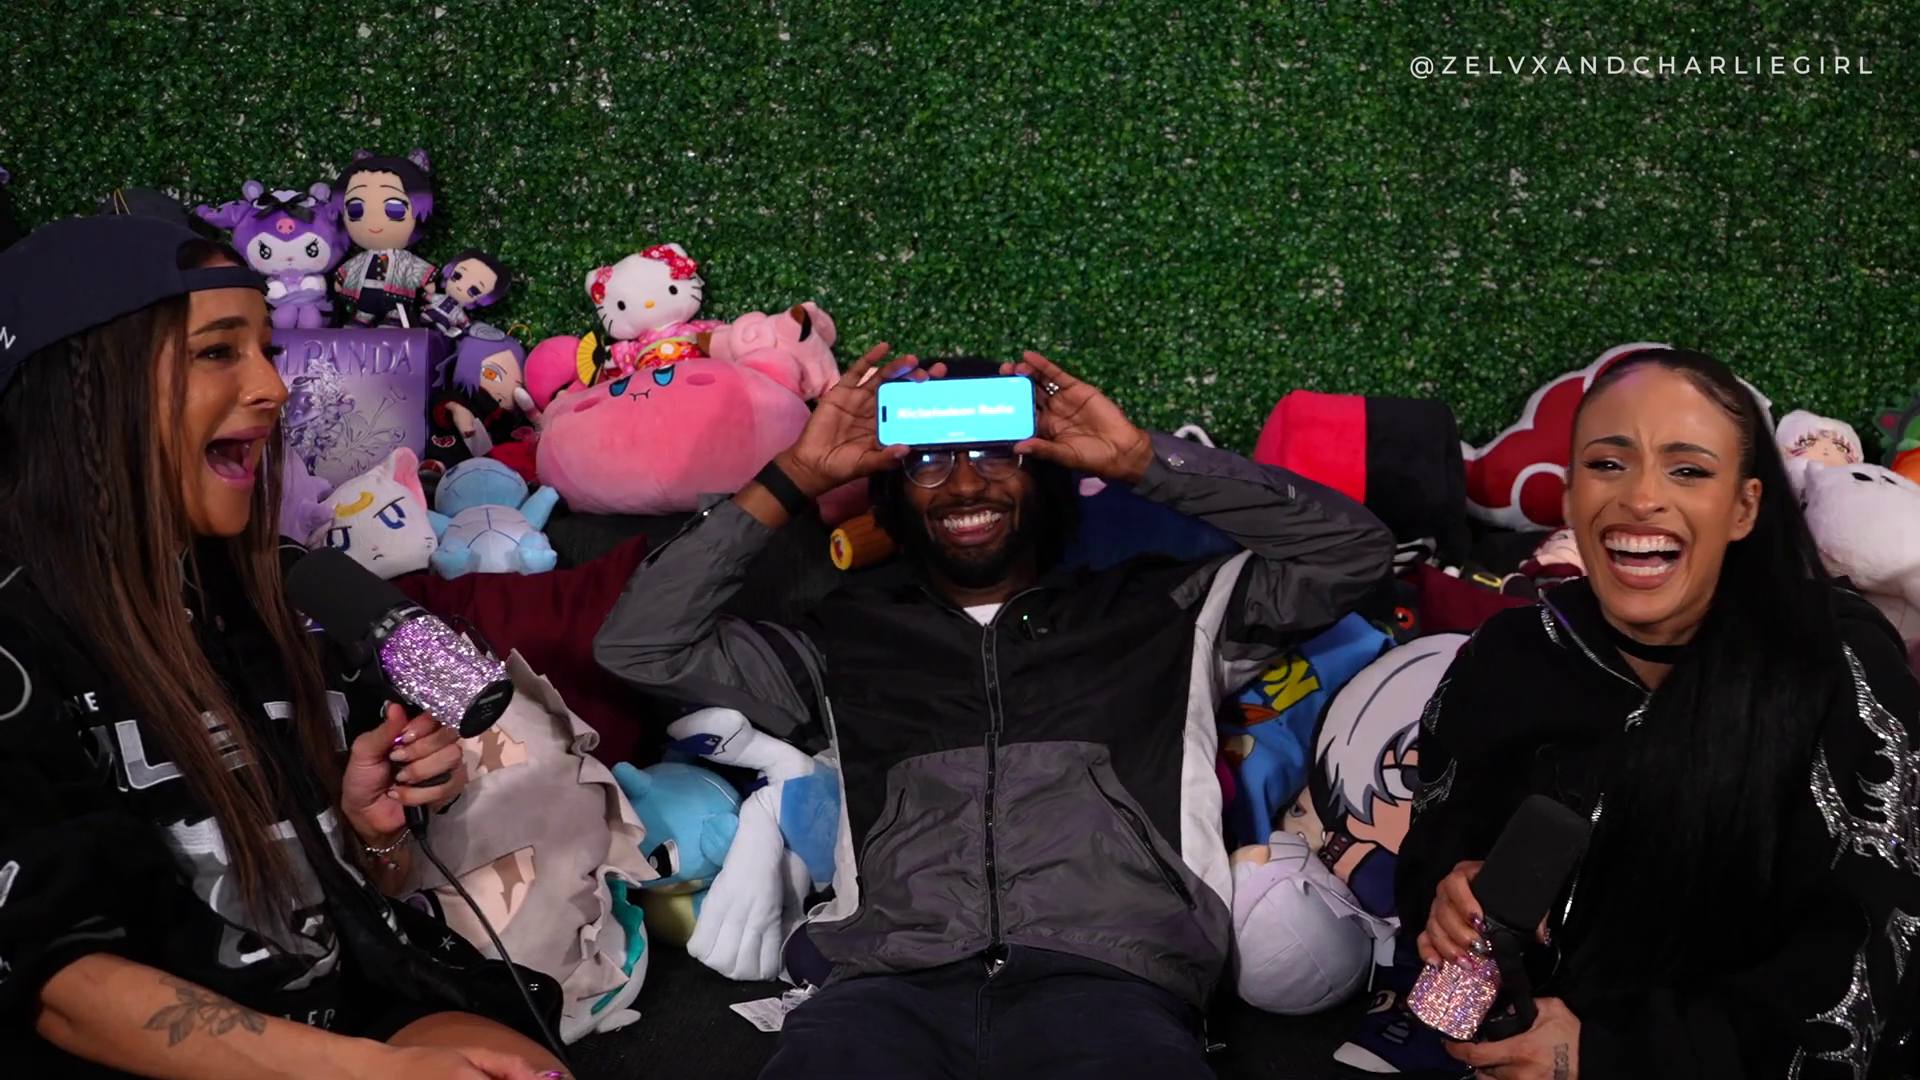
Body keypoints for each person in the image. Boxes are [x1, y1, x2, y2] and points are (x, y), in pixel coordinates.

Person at [595, 349, 1396, 1078]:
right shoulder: (845, 639)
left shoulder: (1167, 610)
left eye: (994, 452)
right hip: (881, 992)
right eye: (928, 461)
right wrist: (795, 475)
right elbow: (640, 645)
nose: (965, 485)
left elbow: (1352, 553)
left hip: (1113, 986)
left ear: (1044, 470)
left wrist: (1143, 462)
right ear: (892, 495)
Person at [0, 215, 567, 1080]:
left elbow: (368, 902)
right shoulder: (19, 640)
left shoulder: (292, 587)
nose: (274, 386)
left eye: (266, 349)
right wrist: (368, 1074)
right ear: (80, 390)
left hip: (367, 1009)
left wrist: (372, 834)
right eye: (217, 352)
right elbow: (61, 984)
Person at [1397, 348, 1920, 1080]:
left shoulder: (1837, 668)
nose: (1640, 498)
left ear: (1745, 507)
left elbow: (1871, 963)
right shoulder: (1506, 660)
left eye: (1688, 470)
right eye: (1607, 464)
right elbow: (1436, 852)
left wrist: (1606, 1059)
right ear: (1571, 494)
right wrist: (1451, 902)